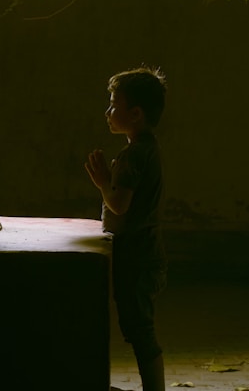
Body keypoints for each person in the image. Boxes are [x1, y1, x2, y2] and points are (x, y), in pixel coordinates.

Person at [85, 66, 168, 391]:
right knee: (138, 327)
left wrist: (104, 182)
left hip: (137, 259)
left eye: (113, 105)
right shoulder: (148, 149)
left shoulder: (135, 155)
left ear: (135, 114)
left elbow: (120, 205)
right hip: (144, 255)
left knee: (140, 330)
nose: (108, 112)